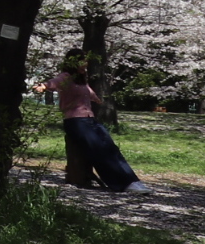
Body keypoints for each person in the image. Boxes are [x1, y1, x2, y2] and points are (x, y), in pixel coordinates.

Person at [45, 56, 150, 194]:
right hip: (75, 121)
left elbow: (89, 92)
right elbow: (54, 82)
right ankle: (121, 184)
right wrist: (43, 86)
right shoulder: (66, 77)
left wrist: (96, 99)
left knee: (111, 148)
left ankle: (132, 180)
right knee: (98, 150)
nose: (85, 65)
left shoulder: (81, 80)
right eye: (82, 62)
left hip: (90, 119)